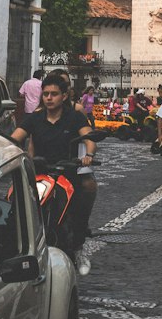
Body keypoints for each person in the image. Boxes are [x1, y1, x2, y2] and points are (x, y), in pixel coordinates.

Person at [10, 77, 97, 275]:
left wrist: (89, 155)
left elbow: (89, 137)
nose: (49, 98)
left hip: (66, 174)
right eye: (46, 94)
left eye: (54, 94)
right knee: (14, 203)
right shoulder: (34, 118)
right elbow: (16, 137)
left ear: (64, 95)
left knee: (78, 206)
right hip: (38, 174)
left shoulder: (74, 118)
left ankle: (78, 246)